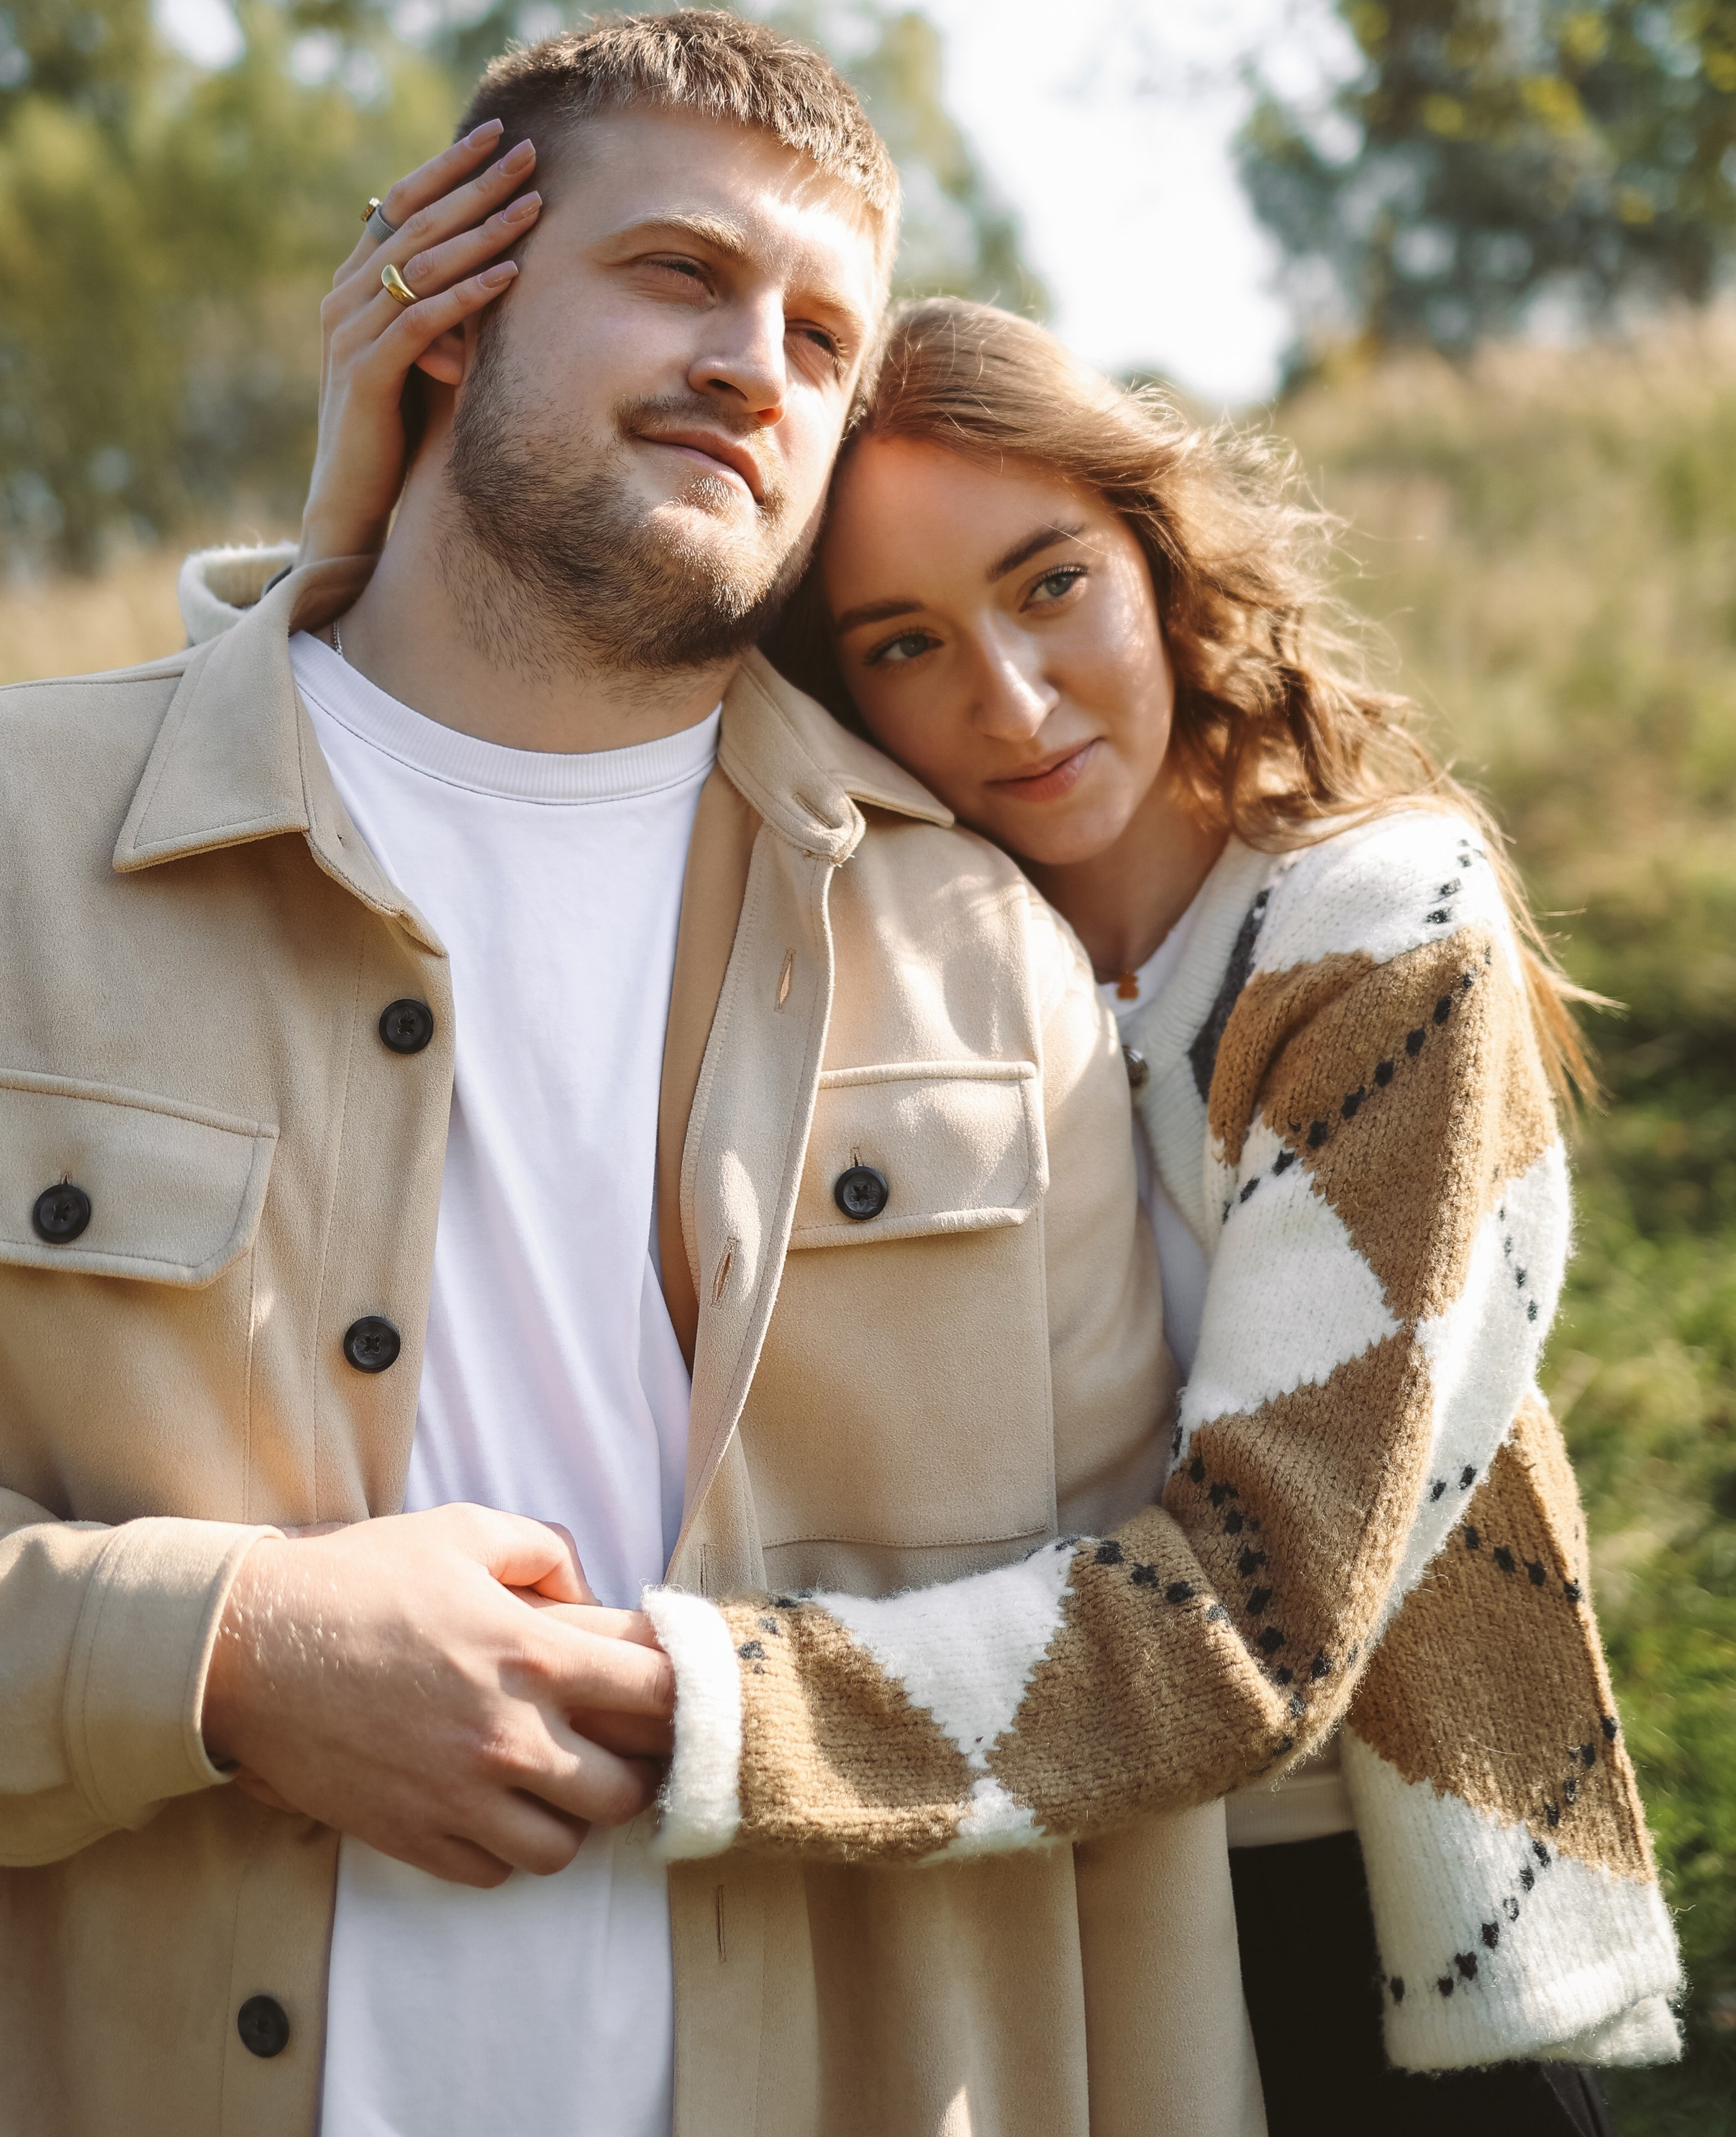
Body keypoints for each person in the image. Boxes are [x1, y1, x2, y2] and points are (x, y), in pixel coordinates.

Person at [0, 16, 1260, 2137]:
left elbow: (1124, 1687)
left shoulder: (993, 960)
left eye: (822, 336)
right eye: (678, 271)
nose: (755, 365)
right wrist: (219, 1651)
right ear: (449, 306)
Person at [265, 285, 1683, 2132]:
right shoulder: (868, 958)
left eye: (1048, 584)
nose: (1006, 702)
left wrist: (674, 1702)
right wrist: (359, 535)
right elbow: (469, 778)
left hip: (1334, 1936)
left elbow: (1256, 1619)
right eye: (903, 642)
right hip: (996, 1922)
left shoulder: (1373, 937)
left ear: (1154, 553)